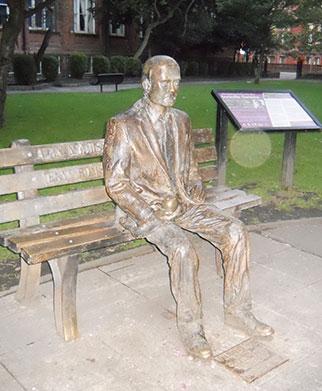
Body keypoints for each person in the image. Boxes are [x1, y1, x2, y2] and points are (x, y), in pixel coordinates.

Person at [103, 55, 274, 360]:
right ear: (146, 84)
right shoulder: (124, 125)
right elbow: (116, 184)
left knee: (235, 231)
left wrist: (195, 187)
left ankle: (238, 310)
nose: (172, 89)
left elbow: (192, 171)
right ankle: (192, 328)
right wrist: (149, 213)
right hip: (144, 209)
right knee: (182, 248)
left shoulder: (181, 119)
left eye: (176, 82)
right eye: (164, 82)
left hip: (183, 202)